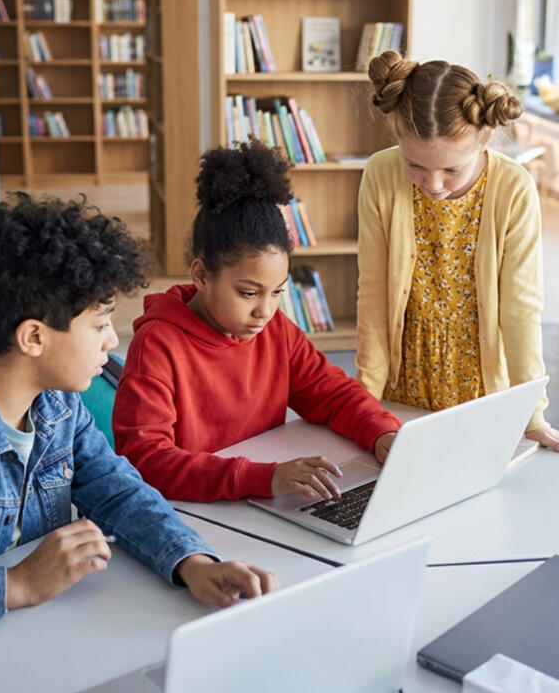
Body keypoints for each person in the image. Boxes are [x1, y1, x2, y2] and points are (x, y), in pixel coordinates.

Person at [0, 195, 277, 638]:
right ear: (33, 337)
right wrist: (16, 585)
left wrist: (193, 562)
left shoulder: (57, 406)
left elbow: (118, 493)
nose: (111, 341)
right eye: (99, 324)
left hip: (36, 637)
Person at [113, 142, 401, 502]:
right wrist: (261, 478)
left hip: (257, 501)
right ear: (201, 275)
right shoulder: (158, 345)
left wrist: (381, 432)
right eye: (249, 293)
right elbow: (145, 461)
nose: (265, 311)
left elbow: (332, 393)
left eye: (277, 291)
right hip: (195, 510)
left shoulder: (275, 328)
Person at [355, 51, 559, 452]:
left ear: (485, 140)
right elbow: (373, 296)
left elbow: (521, 309)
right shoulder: (381, 174)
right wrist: (365, 402)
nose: (433, 184)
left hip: (482, 389)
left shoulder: (513, 188)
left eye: (452, 170)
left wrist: (532, 415)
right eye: (415, 165)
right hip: (404, 382)